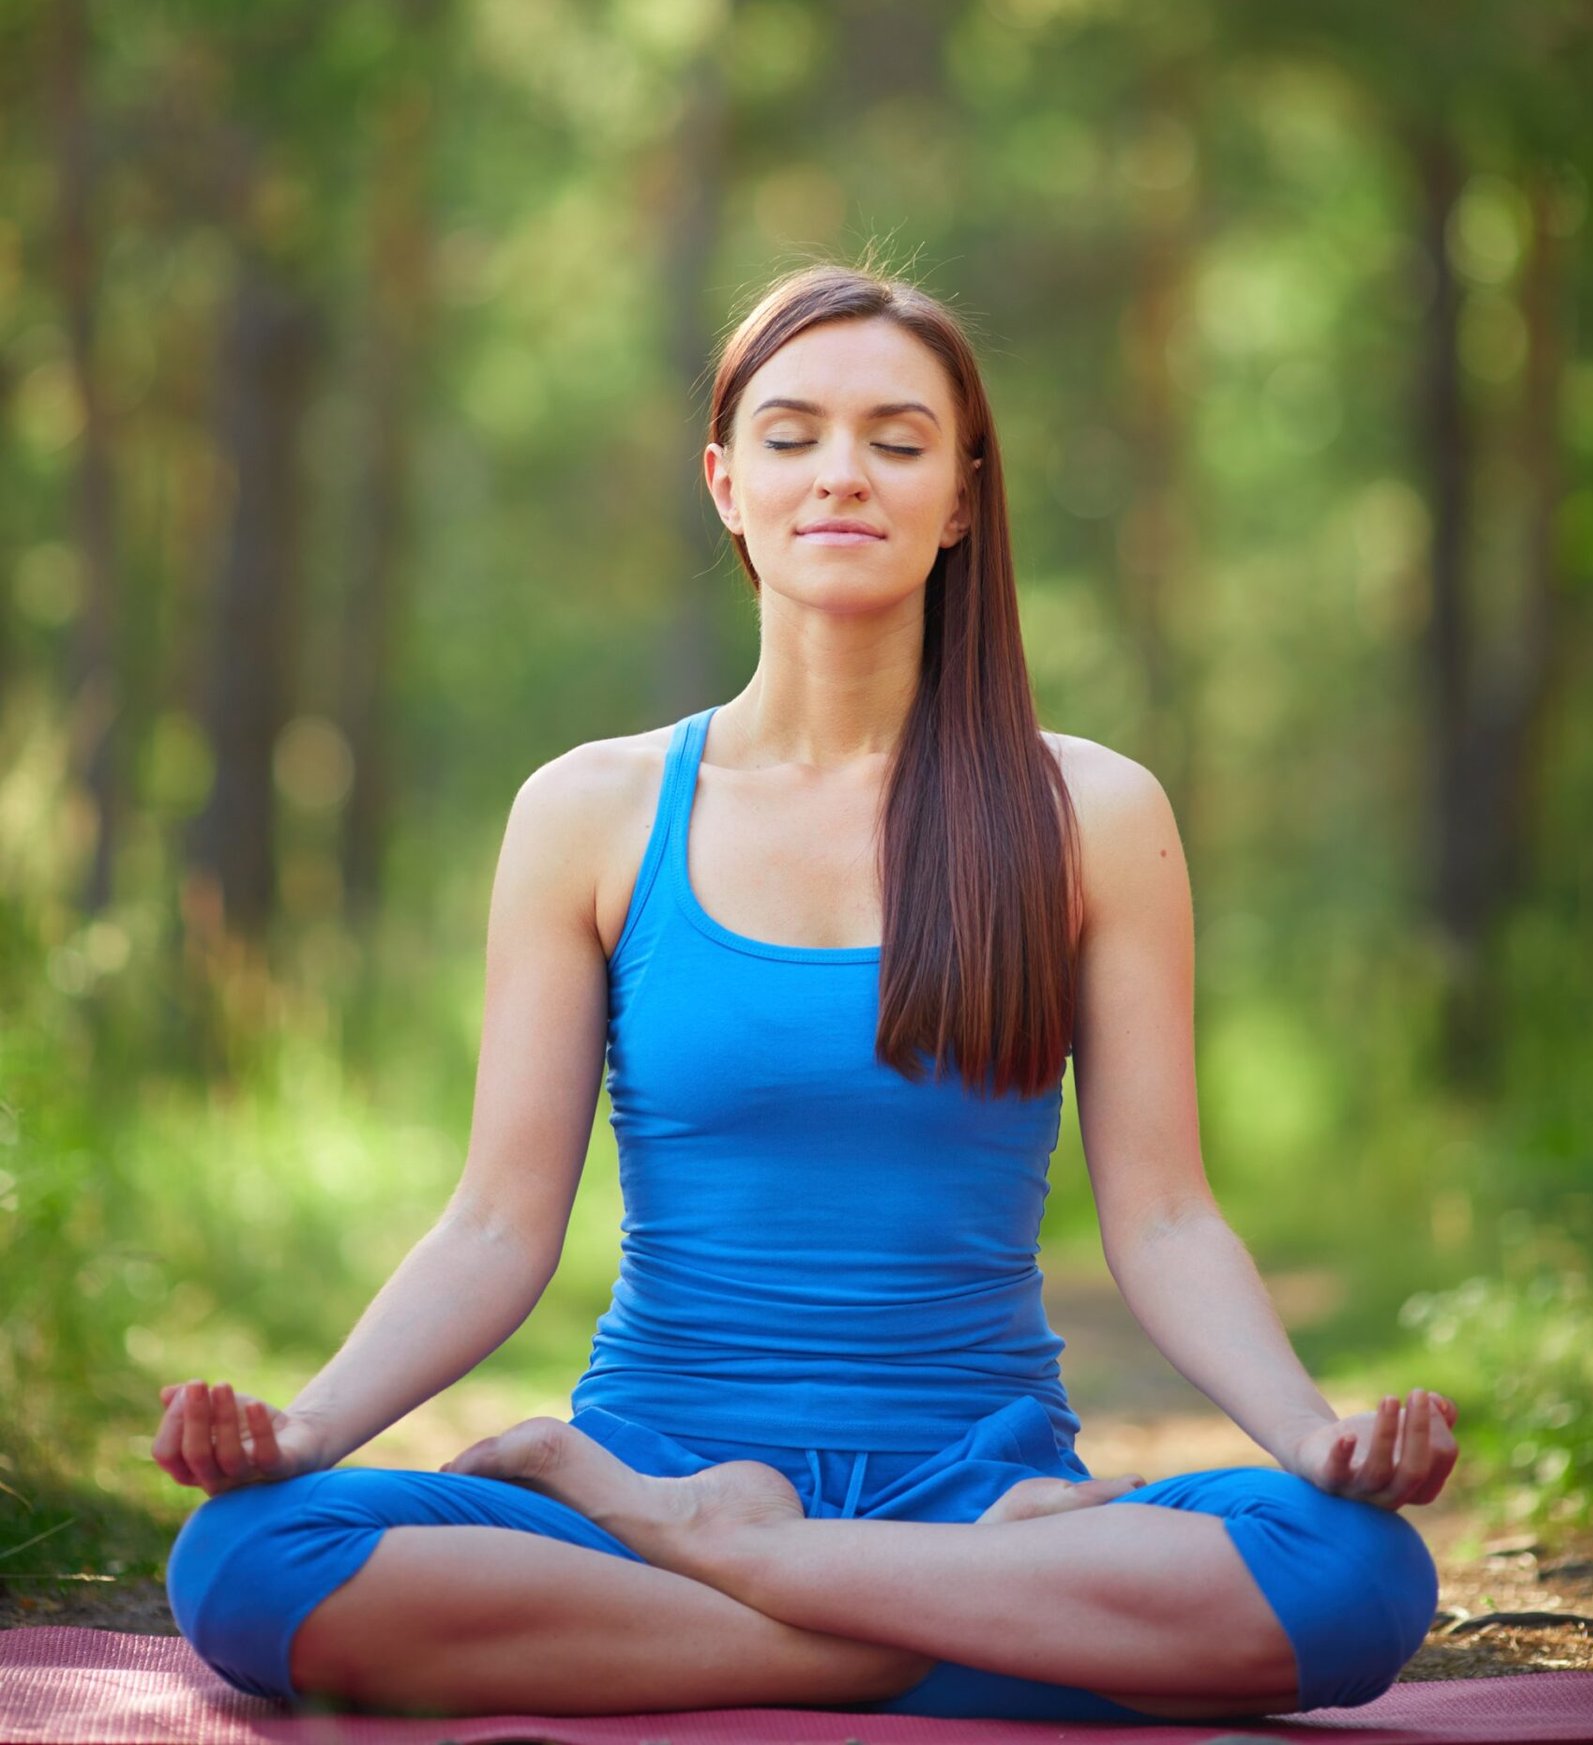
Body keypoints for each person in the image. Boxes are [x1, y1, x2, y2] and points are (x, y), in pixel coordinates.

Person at [156, 260, 1455, 1724]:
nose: (843, 472)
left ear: (962, 496)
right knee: (250, 1557)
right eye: (792, 434)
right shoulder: (592, 809)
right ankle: (952, 1630)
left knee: (1356, 1573)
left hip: (979, 1490)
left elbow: (1162, 1215)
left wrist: (1311, 1435)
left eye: (898, 440)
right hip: (661, 1466)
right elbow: (497, 1221)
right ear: (725, 481)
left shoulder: (1090, 810)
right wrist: (310, 1426)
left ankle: (734, 1576)